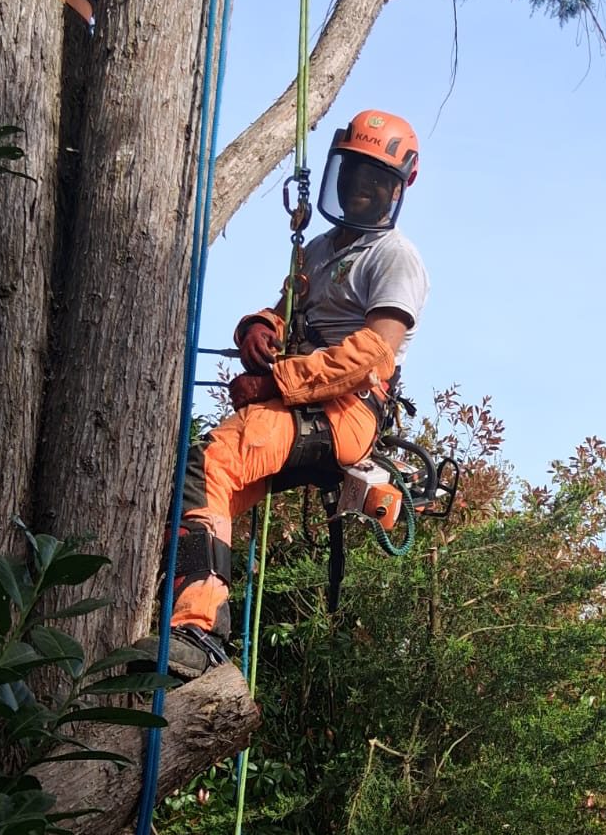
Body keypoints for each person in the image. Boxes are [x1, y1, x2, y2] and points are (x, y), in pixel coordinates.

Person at [142, 108, 429, 678]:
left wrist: (277, 380)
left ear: (396, 188)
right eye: (353, 174)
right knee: (195, 493)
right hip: (297, 403)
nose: (361, 189)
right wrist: (260, 327)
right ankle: (170, 610)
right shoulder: (318, 250)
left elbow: (372, 351)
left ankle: (198, 633)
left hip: (342, 411)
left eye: (376, 180)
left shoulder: (394, 258)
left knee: (208, 462)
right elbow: (285, 312)